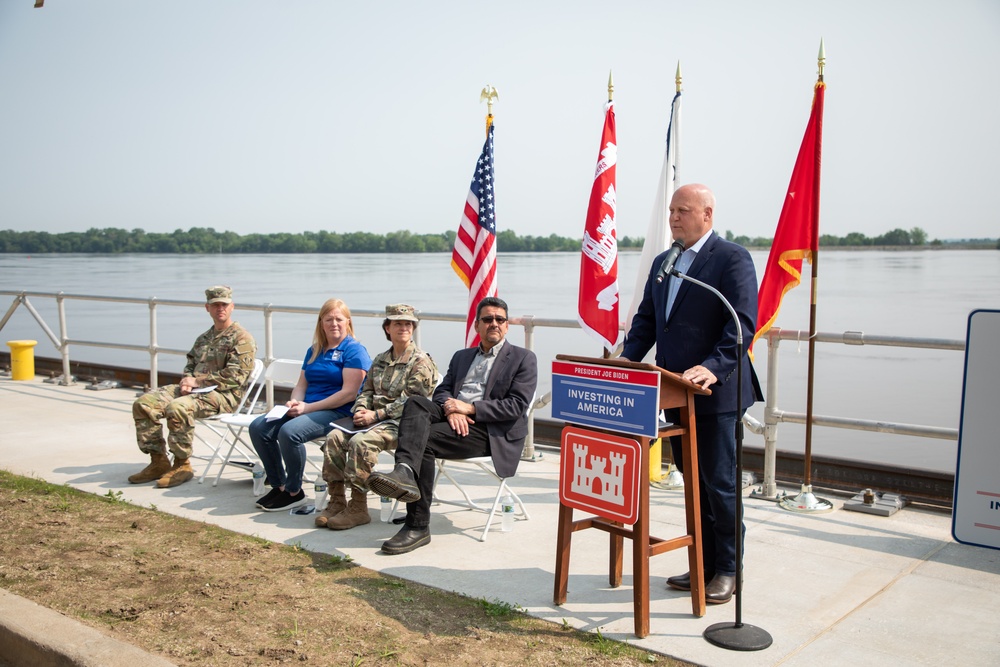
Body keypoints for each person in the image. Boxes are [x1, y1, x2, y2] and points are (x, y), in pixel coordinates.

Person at [621, 183, 762, 605]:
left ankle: (728, 570)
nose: (675, 217)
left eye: (684, 210)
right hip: (674, 394)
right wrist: (628, 359)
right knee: (693, 486)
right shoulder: (667, 262)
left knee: (719, 486)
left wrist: (713, 367)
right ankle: (703, 562)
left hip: (714, 396)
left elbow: (742, 326)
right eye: (671, 210)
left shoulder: (732, 258)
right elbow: (648, 319)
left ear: (708, 214)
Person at [368, 296, 538, 554]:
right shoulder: (462, 356)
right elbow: (442, 390)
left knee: (421, 440)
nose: (494, 324)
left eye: (500, 320)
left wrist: (469, 408)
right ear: (477, 325)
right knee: (415, 402)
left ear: (506, 326)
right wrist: (451, 408)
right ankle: (404, 472)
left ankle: (417, 526)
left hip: (490, 431)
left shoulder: (523, 358)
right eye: (488, 319)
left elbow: (515, 406)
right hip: (454, 418)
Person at [316, 304, 438, 530]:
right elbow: (366, 391)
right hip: (374, 419)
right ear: (387, 329)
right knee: (334, 436)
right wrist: (361, 410)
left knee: (361, 442)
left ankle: (358, 507)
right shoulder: (381, 359)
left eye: (408, 324)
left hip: (402, 424)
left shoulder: (421, 361)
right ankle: (336, 500)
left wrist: (376, 415)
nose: (403, 327)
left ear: (413, 328)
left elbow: (414, 402)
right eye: (397, 323)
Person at [249, 298, 371, 513]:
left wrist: (307, 408)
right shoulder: (315, 350)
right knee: (259, 427)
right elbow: (301, 384)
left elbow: (348, 393)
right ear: (321, 323)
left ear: (348, 322)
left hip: (338, 411)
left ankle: (294, 492)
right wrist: (295, 401)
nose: (334, 323)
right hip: (308, 406)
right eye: (328, 319)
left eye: (338, 319)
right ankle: (279, 485)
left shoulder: (354, 351)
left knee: (289, 432)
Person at [129, 285, 257, 488]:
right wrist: (187, 382)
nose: (220, 309)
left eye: (224, 304)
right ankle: (158, 461)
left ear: (232, 306)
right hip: (196, 391)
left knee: (178, 407)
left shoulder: (242, 338)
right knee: (144, 404)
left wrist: (198, 382)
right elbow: (190, 365)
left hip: (224, 396)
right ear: (208, 308)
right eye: (215, 305)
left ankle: (182, 464)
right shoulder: (204, 338)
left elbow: (236, 378)